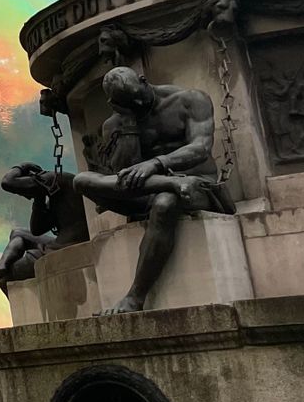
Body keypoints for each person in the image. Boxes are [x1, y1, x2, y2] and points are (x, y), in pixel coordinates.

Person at [74, 67, 234, 314]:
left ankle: (135, 297)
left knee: (164, 203)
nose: (139, 104)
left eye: (139, 97)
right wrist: (128, 123)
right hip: (150, 189)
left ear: (143, 79)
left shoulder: (189, 100)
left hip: (196, 183)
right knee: (81, 181)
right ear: (116, 104)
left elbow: (201, 148)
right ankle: (169, 183)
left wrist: (156, 163)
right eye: (130, 104)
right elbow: (123, 174)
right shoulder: (115, 123)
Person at [0, 163, 90, 292]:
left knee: (5, 279)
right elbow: (37, 229)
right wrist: (38, 199)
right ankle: (1, 266)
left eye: (24, 190)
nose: (25, 195)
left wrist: (22, 167)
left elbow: (7, 182)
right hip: (62, 243)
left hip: (67, 246)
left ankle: (3, 272)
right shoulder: (54, 192)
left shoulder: (54, 179)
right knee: (18, 233)